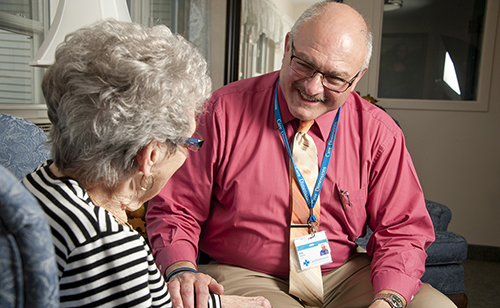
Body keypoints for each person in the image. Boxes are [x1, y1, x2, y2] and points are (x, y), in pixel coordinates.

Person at [146, 2, 457, 308]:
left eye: (334, 78)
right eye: (304, 64)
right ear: (287, 46)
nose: (312, 87)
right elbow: (176, 208)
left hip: (340, 274)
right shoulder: (222, 111)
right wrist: (182, 269)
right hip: (246, 272)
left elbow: (403, 231)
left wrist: (388, 300)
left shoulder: (379, 133)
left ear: (358, 76)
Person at [22, 19, 270, 308]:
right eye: (188, 143)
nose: (188, 153)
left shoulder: (39, 183)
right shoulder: (109, 245)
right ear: (151, 156)